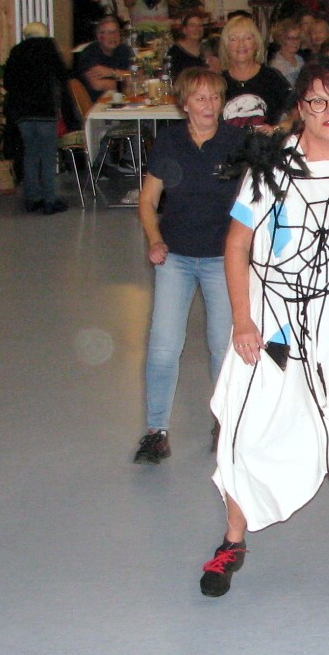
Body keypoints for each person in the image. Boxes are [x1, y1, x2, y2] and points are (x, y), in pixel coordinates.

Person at [201, 64, 329, 602]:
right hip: (275, 327)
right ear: (300, 109)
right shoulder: (270, 167)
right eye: (317, 102)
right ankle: (232, 542)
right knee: (248, 431)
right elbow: (237, 245)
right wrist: (242, 319)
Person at [133, 69, 245, 465]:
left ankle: (225, 422)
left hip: (222, 258)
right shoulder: (169, 141)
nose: (209, 106)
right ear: (184, 104)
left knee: (223, 347)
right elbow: (148, 201)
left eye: (215, 97)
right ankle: (156, 432)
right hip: (175, 258)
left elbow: (254, 198)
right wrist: (155, 240)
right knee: (163, 347)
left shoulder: (235, 142)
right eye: (200, 98)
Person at [2, 21, 74, 215]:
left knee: (30, 155)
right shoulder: (49, 48)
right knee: (48, 157)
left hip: (23, 114)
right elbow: (63, 76)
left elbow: (7, 82)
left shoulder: (17, 51)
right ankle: (50, 200)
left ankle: (32, 199)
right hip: (45, 112)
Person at [219, 15, 293, 133]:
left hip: (266, 143)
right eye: (234, 39)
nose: (241, 44)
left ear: (255, 44)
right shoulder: (218, 82)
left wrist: (276, 129)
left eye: (247, 38)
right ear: (226, 46)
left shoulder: (272, 77)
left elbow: (296, 112)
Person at [72, 15, 135, 104]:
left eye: (115, 32)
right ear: (99, 36)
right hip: (97, 105)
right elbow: (97, 85)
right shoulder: (90, 53)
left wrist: (112, 72)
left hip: (123, 101)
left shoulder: (124, 50)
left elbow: (139, 75)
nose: (113, 36)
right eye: (108, 33)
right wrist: (127, 81)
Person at [167, 9, 213, 80]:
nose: (197, 29)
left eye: (200, 25)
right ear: (184, 30)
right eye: (192, 25)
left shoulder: (208, 47)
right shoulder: (175, 52)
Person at [268, 17, 306, 86]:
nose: (295, 42)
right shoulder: (276, 65)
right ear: (281, 39)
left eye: (297, 38)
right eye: (290, 38)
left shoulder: (300, 60)